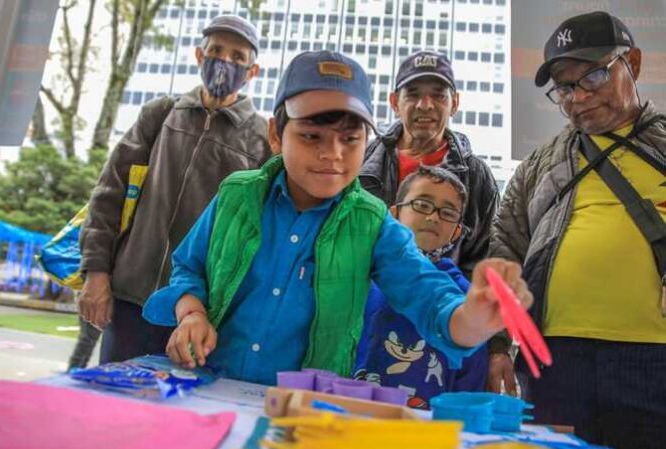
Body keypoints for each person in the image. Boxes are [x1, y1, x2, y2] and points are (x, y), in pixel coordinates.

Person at [141, 50, 532, 387]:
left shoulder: (373, 223)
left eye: (350, 139)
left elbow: (427, 294)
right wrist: (191, 313)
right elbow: (188, 268)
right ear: (276, 134)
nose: (333, 153)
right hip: (205, 385)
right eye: (311, 136)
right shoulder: (236, 195)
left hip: (303, 407)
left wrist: (473, 318)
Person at [489, 11, 666, 449]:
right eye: (565, 88)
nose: (579, 98)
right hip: (555, 359)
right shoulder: (539, 165)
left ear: (633, 63)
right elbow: (503, 251)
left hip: (655, 359)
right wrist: (497, 346)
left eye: (593, 76)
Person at [78, 15, 272, 363]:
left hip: (200, 313)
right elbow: (109, 195)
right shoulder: (160, 115)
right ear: (199, 56)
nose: (224, 62)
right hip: (130, 299)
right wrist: (96, 272)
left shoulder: (261, 140)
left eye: (238, 57)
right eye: (216, 50)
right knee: (111, 394)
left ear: (252, 72)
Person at [354, 167, 488, 409]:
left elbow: (469, 384)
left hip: (425, 426)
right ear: (394, 213)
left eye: (448, 213)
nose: (434, 217)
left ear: (457, 231)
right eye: (422, 205)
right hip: (347, 414)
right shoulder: (359, 276)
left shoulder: (466, 300)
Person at [359, 51, 499, 277]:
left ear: (455, 103)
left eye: (438, 95)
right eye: (413, 95)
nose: (425, 105)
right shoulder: (361, 160)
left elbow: (483, 261)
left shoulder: (476, 177)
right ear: (394, 102)